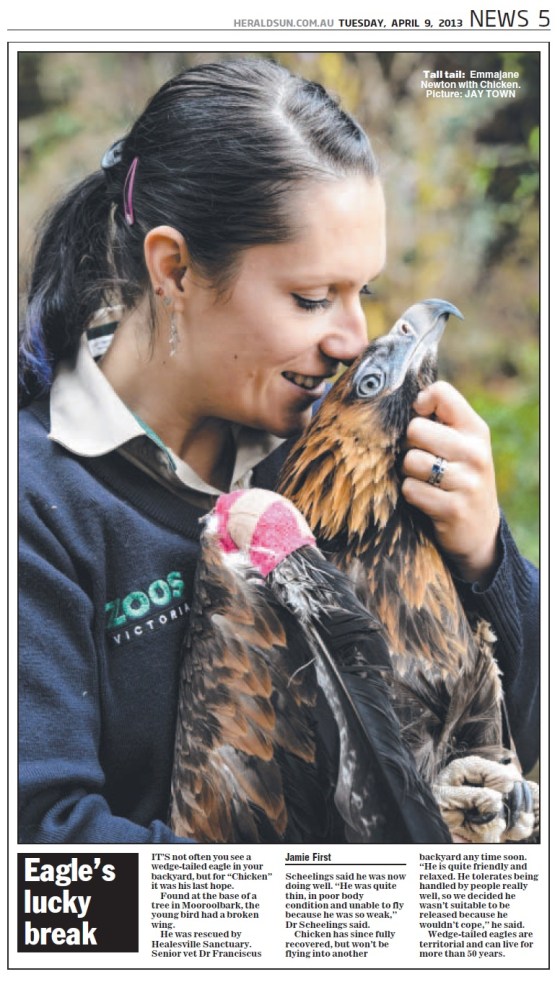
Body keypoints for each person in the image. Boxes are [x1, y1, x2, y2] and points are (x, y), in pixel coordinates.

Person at [18, 58, 539, 844]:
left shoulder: (345, 461)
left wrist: (489, 566)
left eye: (361, 292)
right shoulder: (35, 504)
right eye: (310, 298)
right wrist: (346, 904)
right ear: (175, 268)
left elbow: (511, 755)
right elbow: (45, 861)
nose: (351, 339)